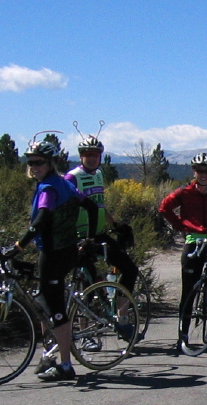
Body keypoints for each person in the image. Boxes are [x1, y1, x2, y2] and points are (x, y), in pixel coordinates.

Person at [14, 138, 99, 381]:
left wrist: (18, 246)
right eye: (30, 162)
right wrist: (89, 239)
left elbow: (41, 220)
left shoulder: (50, 188)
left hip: (54, 254)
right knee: (43, 301)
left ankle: (65, 365)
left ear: (50, 163)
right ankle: (48, 356)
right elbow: (92, 208)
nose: (34, 166)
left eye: (39, 162)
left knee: (56, 310)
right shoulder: (64, 184)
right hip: (64, 251)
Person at [158, 153, 207, 352]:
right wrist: (180, 226)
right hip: (194, 240)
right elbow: (164, 207)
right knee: (188, 290)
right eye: (200, 171)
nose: (204, 175)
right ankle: (183, 335)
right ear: (194, 172)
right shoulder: (184, 192)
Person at [65, 133, 139, 341]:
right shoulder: (72, 178)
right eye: (87, 154)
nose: (91, 158)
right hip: (80, 238)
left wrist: (115, 224)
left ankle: (121, 318)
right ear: (81, 156)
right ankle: (85, 333)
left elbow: (99, 205)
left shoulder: (98, 175)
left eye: (95, 154)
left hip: (98, 235)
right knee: (85, 284)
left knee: (130, 270)